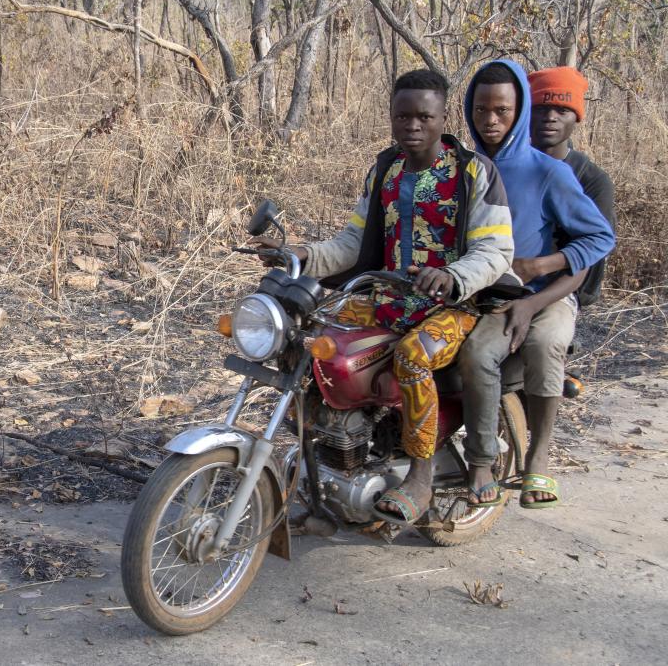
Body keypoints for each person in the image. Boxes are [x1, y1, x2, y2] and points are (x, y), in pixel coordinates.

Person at [253, 69, 514, 523]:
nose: (413, 126)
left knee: (412, 356)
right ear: (391, 118)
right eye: (403, 117)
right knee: (305, 331)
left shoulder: (474, 171)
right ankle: (322, 458)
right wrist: (300, 253)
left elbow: (495, 249)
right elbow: (352, 243)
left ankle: (421, 474)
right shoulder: (386, 170)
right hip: (389, 296)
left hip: (453, 306)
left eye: (423, 117)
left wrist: (452, 276)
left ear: (442, 117)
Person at [458, 61, 615, 509]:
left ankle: (539, 456)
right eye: (481, 109)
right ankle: (480, 459)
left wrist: (541, 267)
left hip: (546, 296)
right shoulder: (465, 167)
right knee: (473, 354)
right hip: (490, 296)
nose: (490, 120)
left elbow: (599, 238)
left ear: (517, 111)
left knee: (546, 344)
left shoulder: (549, 172)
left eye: (502, 111)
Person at [528, 66, 616, 308]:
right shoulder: (506, 167)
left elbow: (596, 249)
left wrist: (576, 297)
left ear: (576, 117)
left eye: (563, 110)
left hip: (562, 288)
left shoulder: (592, 179)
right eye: (541, 109)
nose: (550, 117)